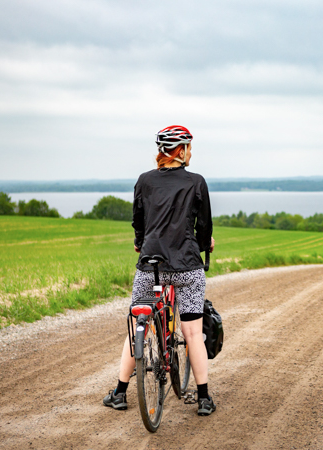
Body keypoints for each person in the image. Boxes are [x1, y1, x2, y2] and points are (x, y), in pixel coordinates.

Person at [103, 125, 216, 416]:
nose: (191, 152)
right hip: (187, 267)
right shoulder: (197, 182)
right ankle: (203, 398)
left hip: (150, 266)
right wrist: (207, 244)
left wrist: (141, 244)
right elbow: (204, 228)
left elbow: (138, 222)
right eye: (189, 147)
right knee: (192, 332)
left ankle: (119, 392)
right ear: (180, 151)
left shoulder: (144, 181)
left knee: (136, 325)